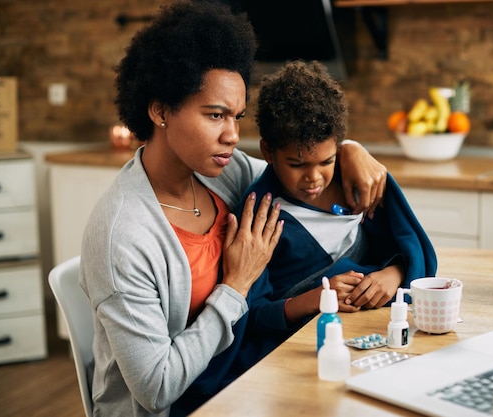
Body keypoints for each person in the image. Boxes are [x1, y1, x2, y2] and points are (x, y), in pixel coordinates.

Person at [78, 1, 388, 416]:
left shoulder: (221, 173)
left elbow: (299, 170)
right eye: (215, 115)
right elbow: (156, 388)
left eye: (237, 117)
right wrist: (237, 286)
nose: (232, 136)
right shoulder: (123, 236)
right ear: (160, 110)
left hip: (244, 383)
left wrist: (351, 150)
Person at [227, 60, 437, 372]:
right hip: (301, 353)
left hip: (376, 333)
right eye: (297, 165)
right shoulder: (259, 214)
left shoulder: (362, 183)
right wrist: (317, 298)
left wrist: (392, 275)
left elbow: (415, 255)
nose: (314, 178)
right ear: (267, 152)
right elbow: (252, 315)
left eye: (326, 161)